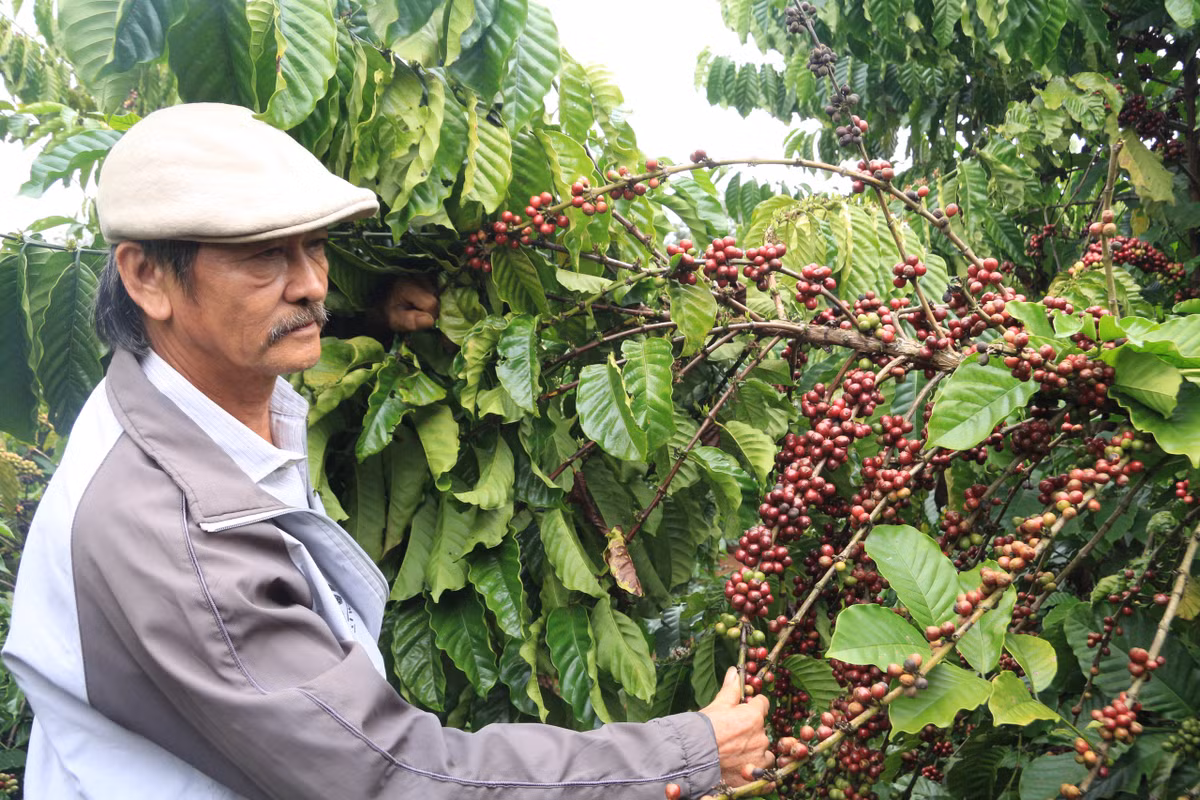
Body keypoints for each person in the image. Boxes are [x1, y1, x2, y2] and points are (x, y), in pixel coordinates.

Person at [2, 103, 771, 799]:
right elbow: (387, 777)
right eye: (265, 256)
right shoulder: (172, 541)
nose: (310, 285)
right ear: (146, 277)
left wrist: (370, 319)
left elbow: (260, 328)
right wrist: (684, 752)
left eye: (315, 246)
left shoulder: (182, 395)